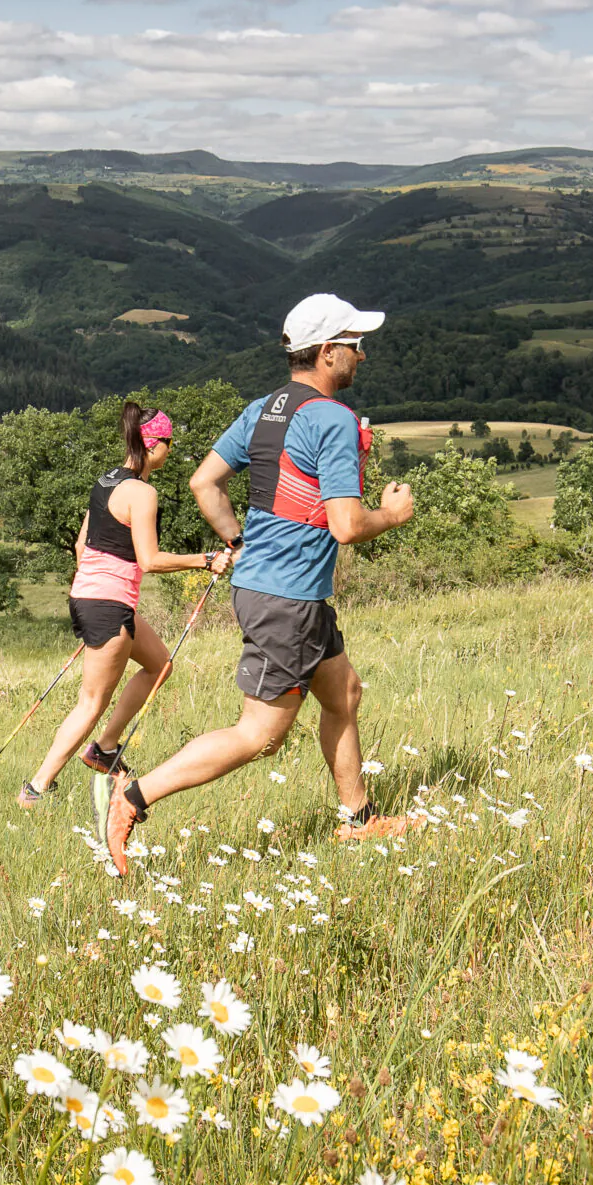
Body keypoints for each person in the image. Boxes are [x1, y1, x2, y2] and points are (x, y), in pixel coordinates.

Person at [104, 293, 421, 875]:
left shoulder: (266, 408)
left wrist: (239, 542)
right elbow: (348, 526)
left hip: (278, 589)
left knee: (343, 694)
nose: (362, 355)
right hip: (287, 599)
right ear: (328, 353)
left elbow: (205, 483)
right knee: (260, 735)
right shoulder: (333, 420)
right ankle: (131, 800)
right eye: (354, 345)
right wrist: (393, 514)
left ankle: (359, 819)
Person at [19, 402, 231, 808]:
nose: (170, 450)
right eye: (168, 442)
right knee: (91, 702)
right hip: (108, 604)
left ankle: (105, 748)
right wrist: (204, 560)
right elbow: (150, 560)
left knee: (159, 665)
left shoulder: (106, 480)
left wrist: (92, 598)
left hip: (97, 599)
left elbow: (83, 545)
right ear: (154, 445)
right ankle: (36, 788)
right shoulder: (142, 492)